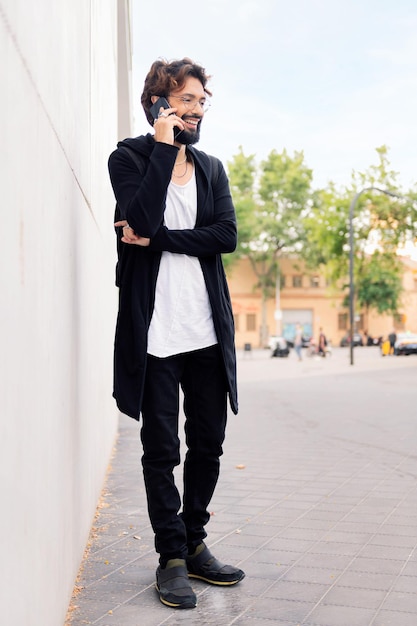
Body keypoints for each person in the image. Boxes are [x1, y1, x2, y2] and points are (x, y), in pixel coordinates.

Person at [108, 58, 244, 610]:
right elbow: (136, 219)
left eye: (200, 100)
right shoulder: (129, 158)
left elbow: (227, 235)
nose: (195, 109)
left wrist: (162, 239)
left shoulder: (211, 168)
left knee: (208, 445)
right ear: (158, 105)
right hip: (157, 334)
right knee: (161, 449)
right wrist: (163, 149)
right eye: (184, 100)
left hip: (207, 331)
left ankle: (195, 540)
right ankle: (170, 557)